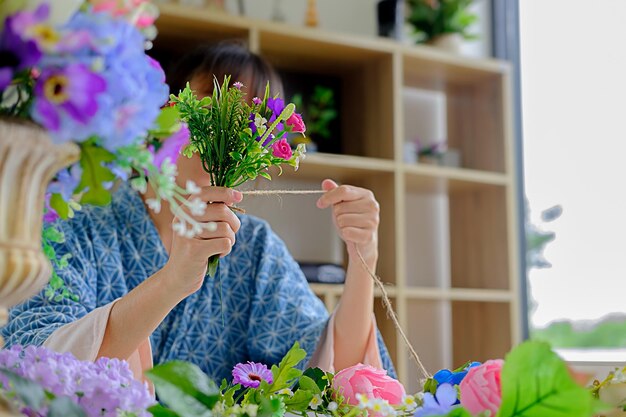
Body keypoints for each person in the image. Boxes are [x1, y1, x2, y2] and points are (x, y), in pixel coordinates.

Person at [1, 42, 395, 383]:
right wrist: (174, 280)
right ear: (166, 111)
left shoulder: (253, 247)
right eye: (212, 109)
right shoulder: (77, 222)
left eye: (249, 123)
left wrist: (364, 258)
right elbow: (40, 364)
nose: (226, 133)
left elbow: (330, 371)